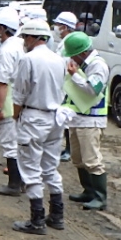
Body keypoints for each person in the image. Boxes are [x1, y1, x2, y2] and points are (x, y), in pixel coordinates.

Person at [11, 19, 67, 235]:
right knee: (50, 167)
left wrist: (15, 118)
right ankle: (56, 215)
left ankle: (36, 220)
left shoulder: (28, 59)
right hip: (55, 117)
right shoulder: (58, 59)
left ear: (33, 37)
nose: (24, 41)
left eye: (25, 37)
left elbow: (20, 93)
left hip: (34, 116)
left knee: (31, 168)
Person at [62, 31, 110, 213]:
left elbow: (93, 90)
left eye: (74, 55)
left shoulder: (98, 66)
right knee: (78, 157)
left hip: (91, 120)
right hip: (78, 117)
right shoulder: (84, 63)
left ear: (82, 53)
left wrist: (75, 76)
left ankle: (100, 197)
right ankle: (88, 191)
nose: (72, 58)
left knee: (91, 159)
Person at [0, 8, 25, 196]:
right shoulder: (21, 45)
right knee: (19, 141)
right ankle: (22, 181)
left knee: (9, 142)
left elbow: (2, 82)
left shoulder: (6, 50)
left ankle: (14, 185)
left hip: (10, 97)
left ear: (3, 28)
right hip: (22, 98)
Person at [53, 11, 78, 161]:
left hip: (67, 83)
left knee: (67, 119)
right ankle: (68, 148)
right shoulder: (64, 42)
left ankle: (70, 149)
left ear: (64, 27)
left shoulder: (69, 43)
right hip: (63, 83)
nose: (55, 28)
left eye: (57, 25)